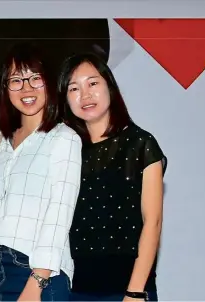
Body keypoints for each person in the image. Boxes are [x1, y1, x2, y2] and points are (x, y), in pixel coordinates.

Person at [57, 52, 166, 301]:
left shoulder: (141, 144)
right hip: (73, 289)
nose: (85, 95)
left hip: (127, 288)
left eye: (93, 83)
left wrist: (135, 291)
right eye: (74, 88)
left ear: (110, 86)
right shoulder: (64, 148)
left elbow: (153, 222)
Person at [0, 42, 82, 301]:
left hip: (38, 271)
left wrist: (36, 282)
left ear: (49, 83)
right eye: (16, 80)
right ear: (5, 88)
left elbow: (60, 212)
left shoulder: (64, 138)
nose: (26, 88)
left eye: (35, 78)